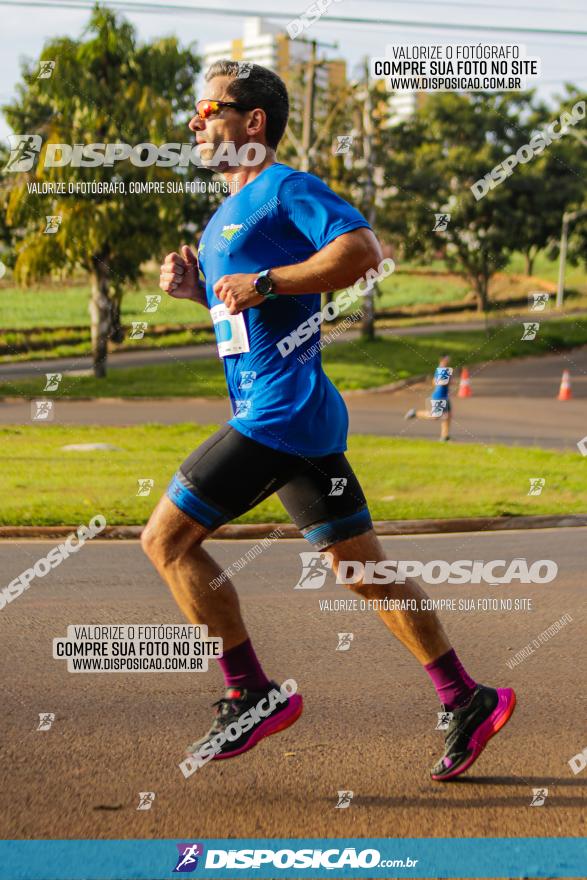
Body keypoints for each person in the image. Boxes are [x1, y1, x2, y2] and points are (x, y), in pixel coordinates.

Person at [142, 61, 516, 782]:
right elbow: (251, 313)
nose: (196, 122)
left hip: (278, 414)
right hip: (299, 416)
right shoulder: (225, 215)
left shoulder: (286, 188)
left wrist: (268, 280)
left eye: (209, 108)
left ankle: (249, 692)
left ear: (253, 123)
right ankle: (466, 697)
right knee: (361, 571)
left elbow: (362, 252)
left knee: (165, 539)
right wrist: (202, 294)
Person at [405, 355, 453, 441]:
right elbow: (440, 383)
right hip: (439, 396)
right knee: (435, 416)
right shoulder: (442, 370)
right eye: (446, 359)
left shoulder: (442, 369)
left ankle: (444, 436)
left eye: (448, 359)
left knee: (448, 415)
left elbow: (434, 382)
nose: (448, 361)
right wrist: (447, 381)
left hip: (444, 396)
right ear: (441, 360)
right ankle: (415, 413)